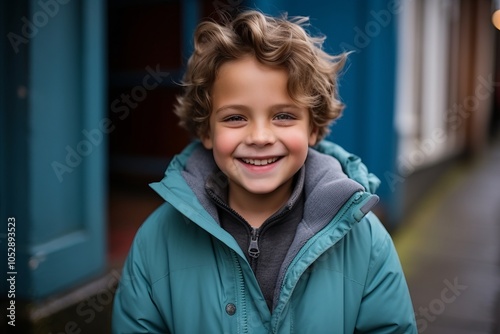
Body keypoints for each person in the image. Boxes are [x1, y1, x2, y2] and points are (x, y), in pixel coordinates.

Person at [112, 10, 417, 333]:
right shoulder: (158, 240)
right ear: (206, 131)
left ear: (313, 127)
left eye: (283, 116)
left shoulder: (365, 240)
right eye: (235, 118)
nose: (259, 137)